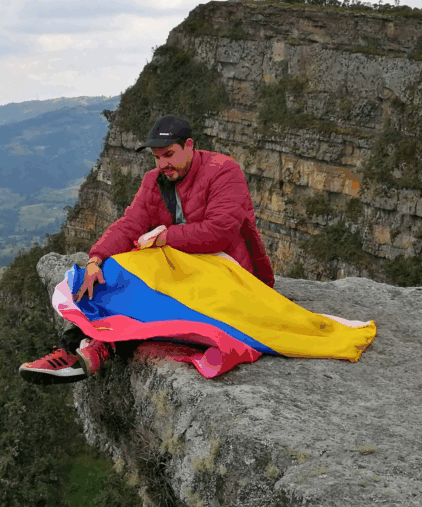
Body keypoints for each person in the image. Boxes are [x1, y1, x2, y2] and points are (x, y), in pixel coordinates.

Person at [20, 115, 274, 384]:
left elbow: (220, 232)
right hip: (183, 269)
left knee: (146, 288)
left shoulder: (223, 170)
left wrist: (164, 237)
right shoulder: (154, 181)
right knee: (107, 273)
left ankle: (98, 347)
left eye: (169, 154)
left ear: (189, 146)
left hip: (227, 272)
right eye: (157, 157)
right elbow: (130, 225)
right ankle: (73, 351)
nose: (163, 164)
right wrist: (96, 259)